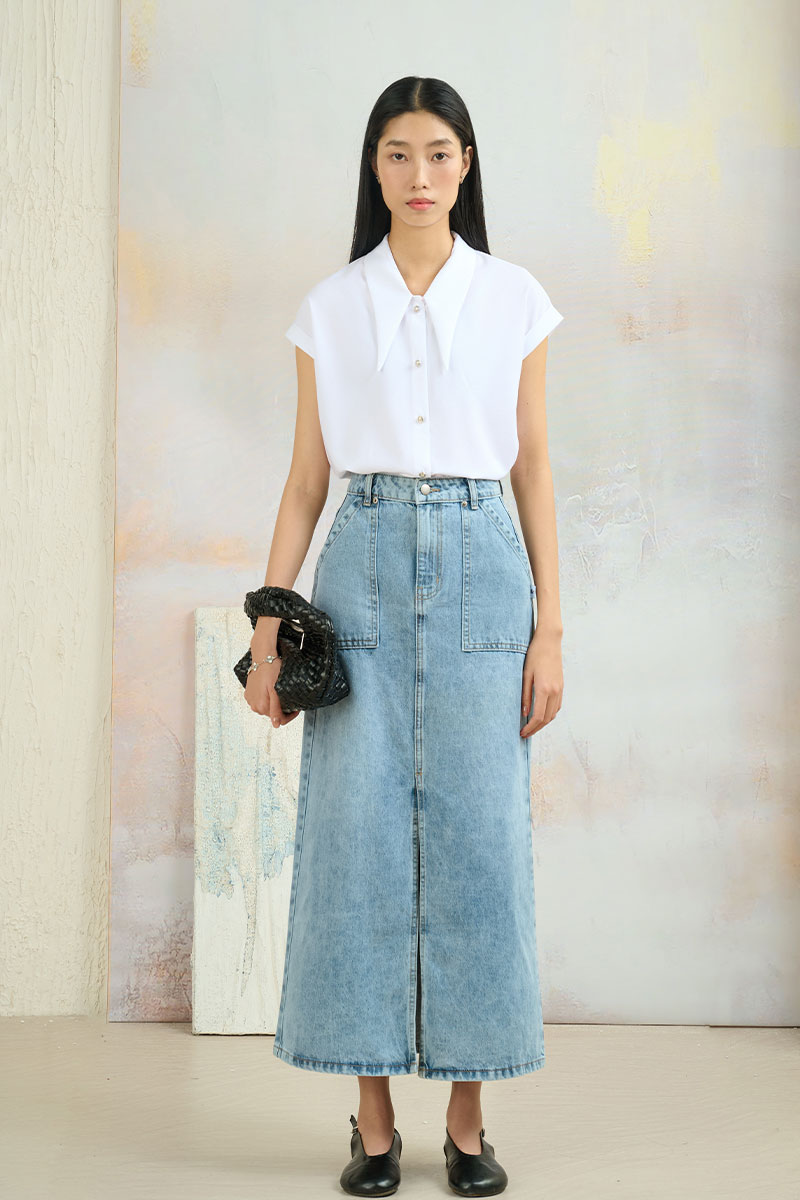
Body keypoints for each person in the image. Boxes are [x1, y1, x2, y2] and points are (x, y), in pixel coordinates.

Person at [244, 75, 564, 1199]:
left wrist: (552, 630)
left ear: (465, 165)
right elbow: (305, 481)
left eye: (437, 153)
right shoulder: (331, 307)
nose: (418, 175)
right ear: (372, 168)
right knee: (357, 840)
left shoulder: (515, 298)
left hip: (485, 571)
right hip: (363, 567)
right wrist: (268, 625)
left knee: (481, 840)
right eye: (396, 154)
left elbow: (532, 467)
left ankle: (468, 1120)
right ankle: (373, 1118)